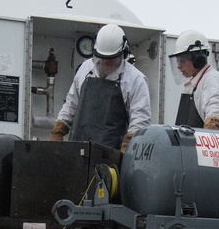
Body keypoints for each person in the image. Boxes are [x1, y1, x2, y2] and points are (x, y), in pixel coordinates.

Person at [50, 24, 151, 153]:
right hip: (77, 149)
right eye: (101, 57)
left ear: (122, 53)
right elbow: (71, 103)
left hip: (111, 155)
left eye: (110, 59)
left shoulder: (136, 80)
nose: (104, 62)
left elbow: (140, 119)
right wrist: (58, 129)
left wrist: (128, 147)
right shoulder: (85, 69)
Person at [169, 30, 219, 130]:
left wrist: (213, 122)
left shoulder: (213, 79)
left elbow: (217, 109)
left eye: (182, 61)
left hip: (202, 145)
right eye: (177, 61)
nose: (179, 66)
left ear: (198, 59)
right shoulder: (196, 83)